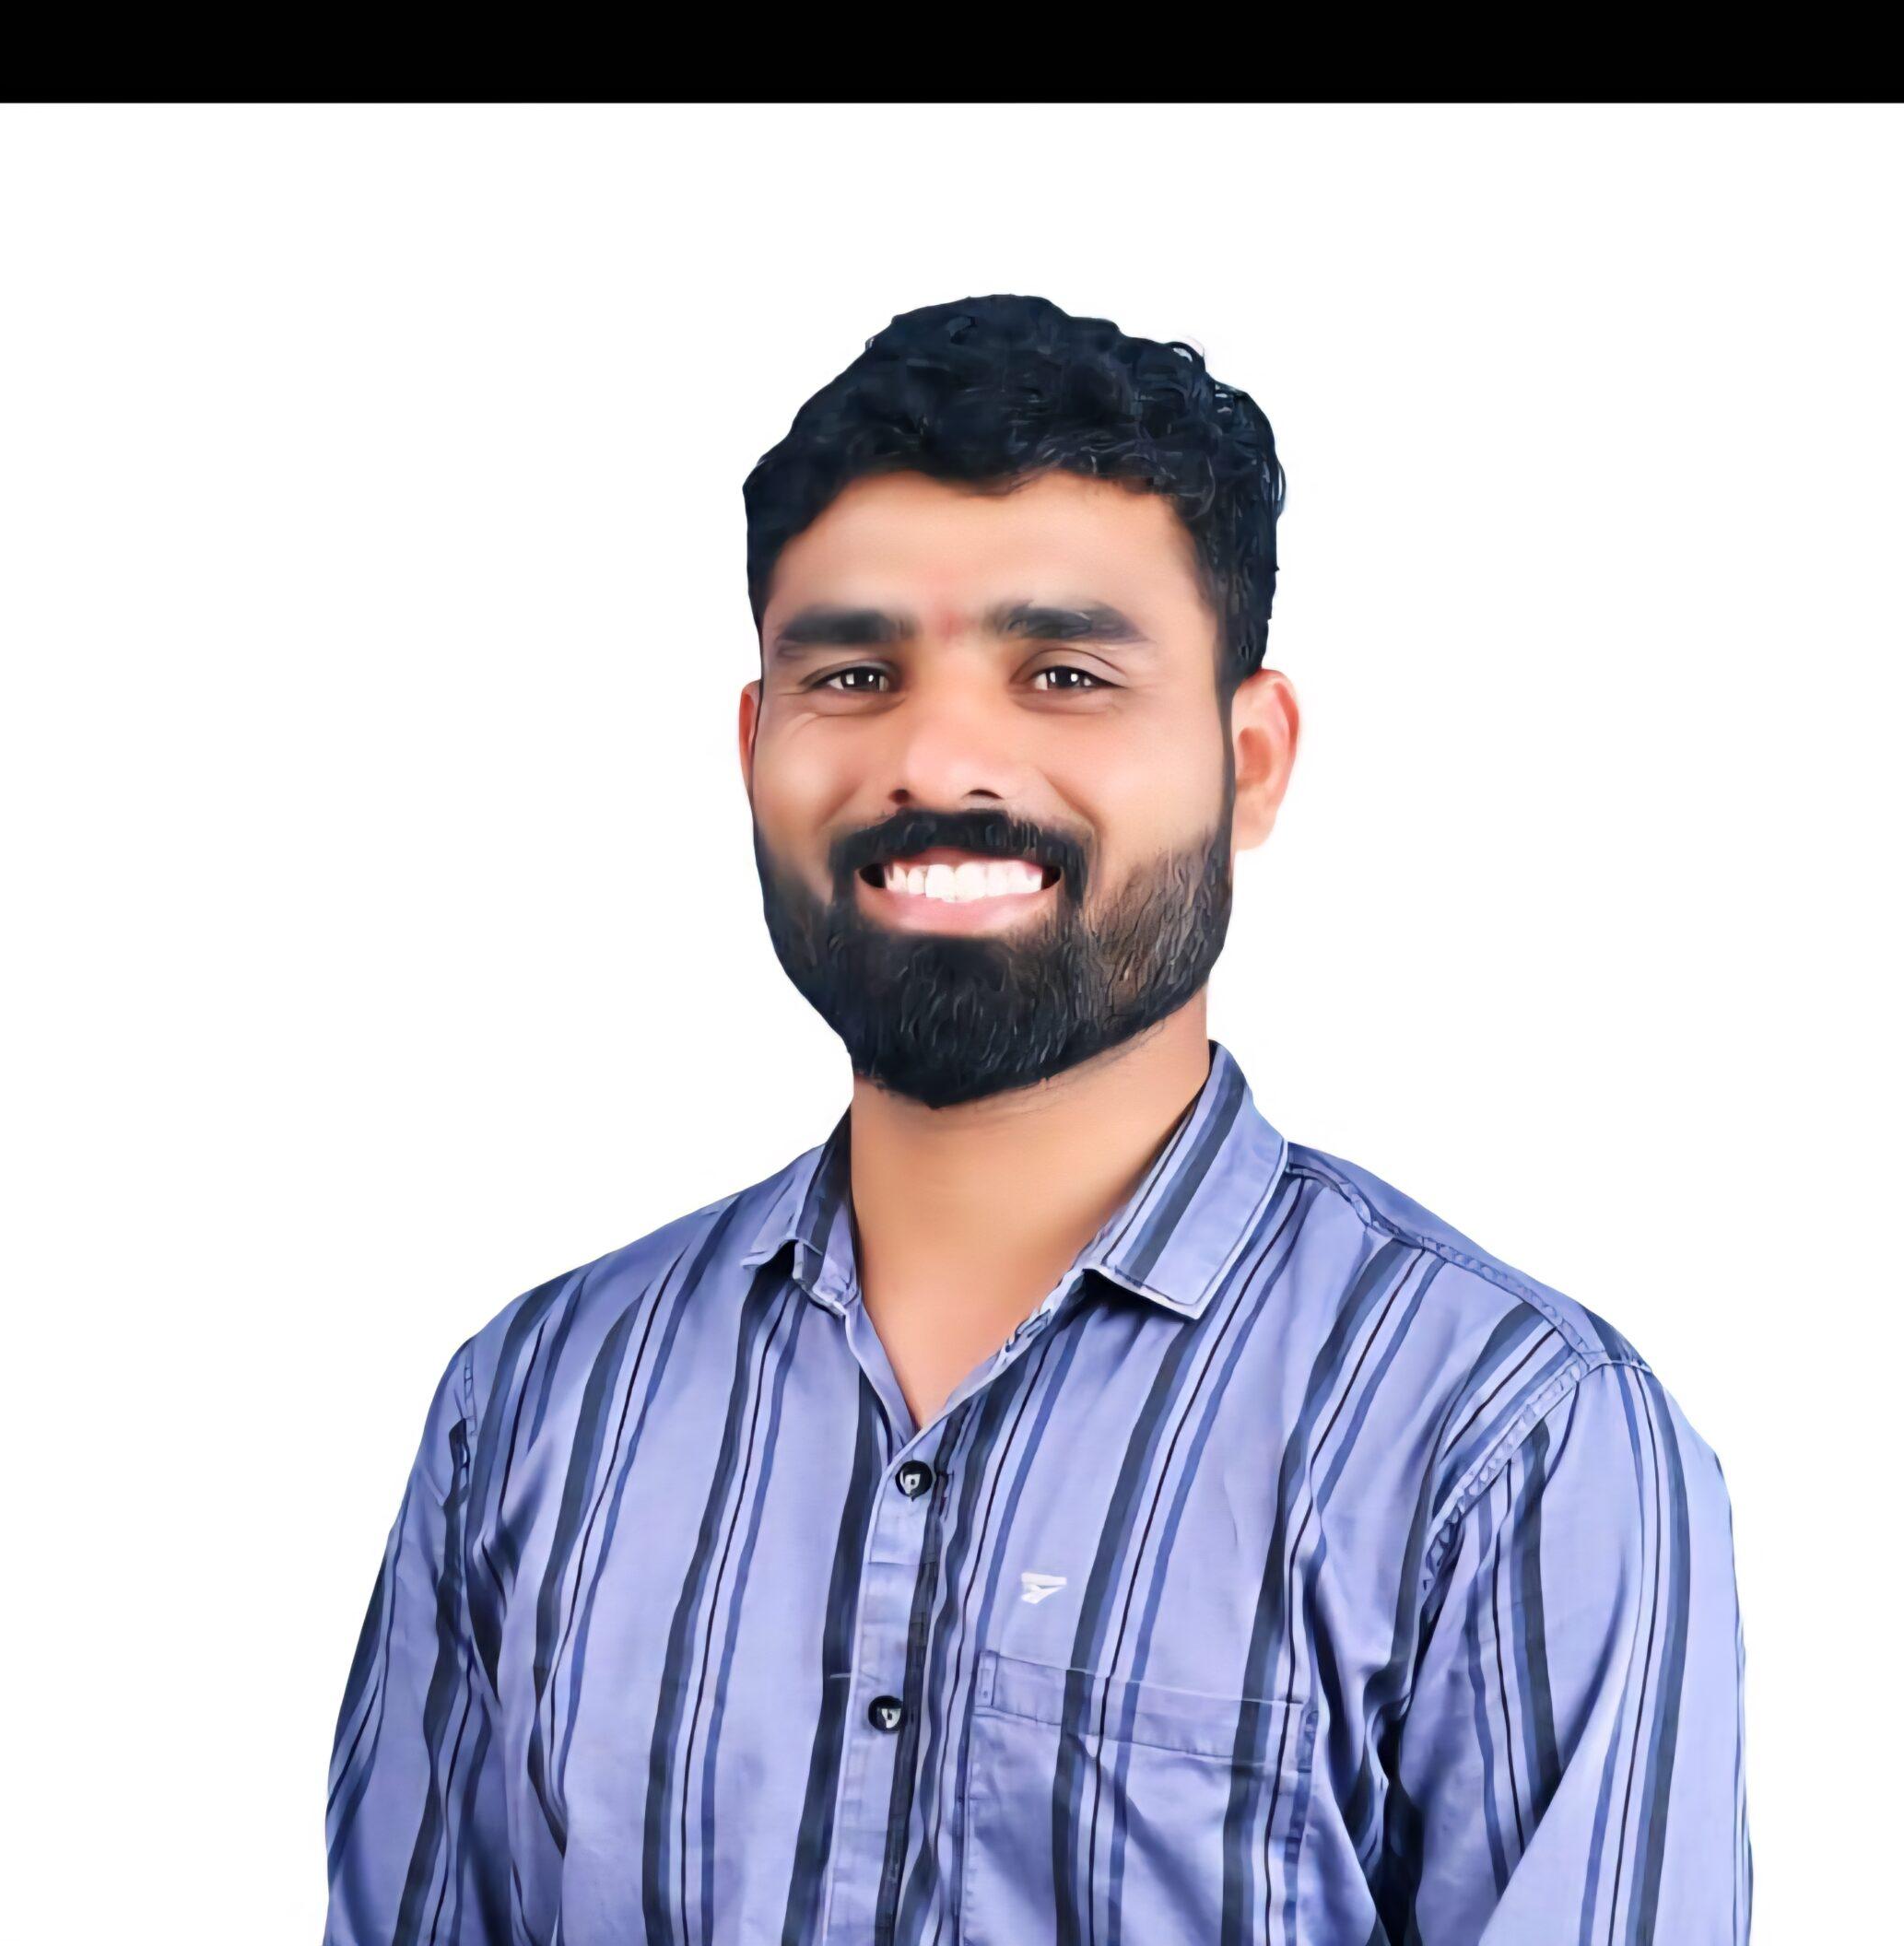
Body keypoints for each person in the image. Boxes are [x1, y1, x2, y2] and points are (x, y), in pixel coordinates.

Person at [322, 294, 1752, 1945]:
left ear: (1251, 759)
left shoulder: (1512, 1445)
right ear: (756, 746)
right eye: (854, 674)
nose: (940, 759)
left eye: (1064, 673)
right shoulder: (534, 1409)